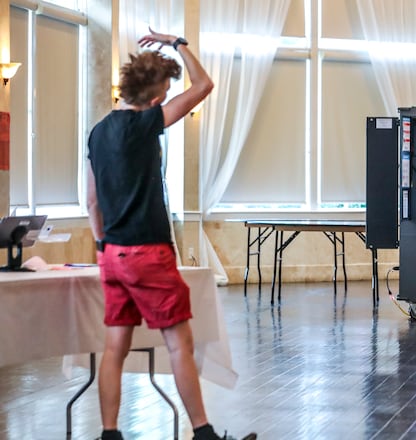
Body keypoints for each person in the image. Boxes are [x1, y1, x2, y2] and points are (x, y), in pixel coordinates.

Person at [86, 28, 256, 440]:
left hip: (112, 254)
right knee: (179, 344)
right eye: (164, 90)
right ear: (155, 97)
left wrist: (101, 245)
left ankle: (109, 434)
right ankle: (203, 434)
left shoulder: (98, 132)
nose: (165, 97)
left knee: (114, 348)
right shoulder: (146, 125)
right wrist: (177, 43)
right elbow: (204, 85)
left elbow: (92, 201)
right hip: (148, 252)